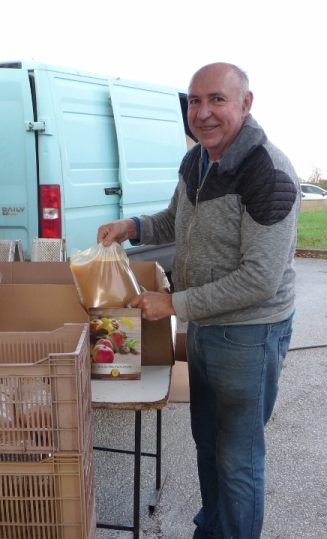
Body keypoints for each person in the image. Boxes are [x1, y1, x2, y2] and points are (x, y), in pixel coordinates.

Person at [97, 63, 299, 539]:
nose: (203, 112)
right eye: (194, 101)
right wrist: (134, 227)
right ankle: (213, 530)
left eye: (217, 100)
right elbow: (176, 220)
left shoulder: (267, 172)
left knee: (238, 458)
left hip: (250, 333)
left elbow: (260, 281)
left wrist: (172, 305)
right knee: (208, 445)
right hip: (206, 326)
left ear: (245, 104)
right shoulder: (197, 160)